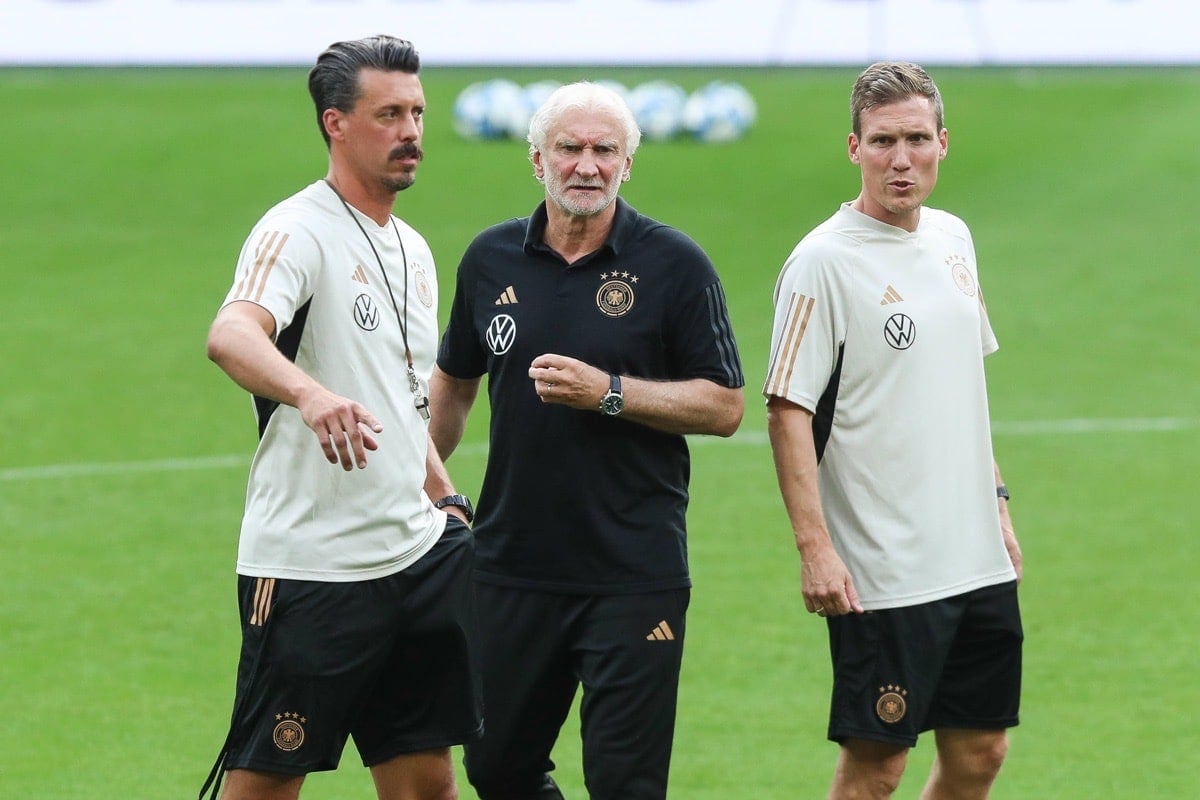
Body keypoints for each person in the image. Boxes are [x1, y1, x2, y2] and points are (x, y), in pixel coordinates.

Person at [429, 81, 745, 800]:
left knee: (624, 784)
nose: (587, 166)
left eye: (606, 151)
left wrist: (609, 392)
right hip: (511, 565)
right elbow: (454, 380)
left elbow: (725, 404)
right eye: (569, 149)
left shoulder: (675, 265)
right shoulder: (489, 261)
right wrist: (422, 484)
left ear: (628, 164)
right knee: (497, 769)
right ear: (535, 158)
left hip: (633, 572)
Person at [200, 35, 481, 800]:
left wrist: (444, 496)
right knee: (266, 784)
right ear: (336, 123)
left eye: (418, 112)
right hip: (312, 569)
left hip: (415, 559)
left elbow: (402, 399)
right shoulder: (296, 230)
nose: (412, 131)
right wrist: (310, 393)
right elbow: (230, 334)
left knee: (427, 783)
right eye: (389, 114)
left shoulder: (414, 250)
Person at [763, 61, 1024, 799]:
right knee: (877, 770)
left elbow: (960, 385)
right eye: (882, 142)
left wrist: (997, 503)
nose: (900, 160)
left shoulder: (952, 239)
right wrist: (815, 550)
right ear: (854, 149)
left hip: (974, 554)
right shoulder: (822, 262)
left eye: (916, 139)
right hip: (884, 568)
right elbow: (787, 411)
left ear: (944, 142)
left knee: (982, 752)